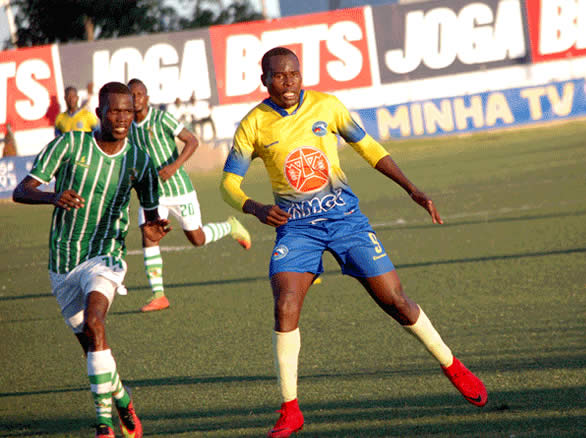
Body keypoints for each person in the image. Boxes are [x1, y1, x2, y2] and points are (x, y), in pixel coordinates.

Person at [220, 47, 488, 438]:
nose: (289, 82)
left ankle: (453, 365)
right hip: (297, 230)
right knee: (285, 305)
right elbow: (228, 184)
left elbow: (369, 149)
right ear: (265, 81)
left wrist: (412, 189)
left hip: (346, 221)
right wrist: (254, 208)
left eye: (294, 73)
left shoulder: (328, 107)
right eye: (279, 76)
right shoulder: (253, 125)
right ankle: (290, 409)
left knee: (395, 302)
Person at [12, 82, 170, 438]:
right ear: (98, 113)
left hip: (106, 255)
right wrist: (53, 198)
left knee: (96, 324)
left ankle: (103, 425)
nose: (121, 118)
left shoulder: (140, 160)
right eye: (114, 111)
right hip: (64, 260)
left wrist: (154, 229)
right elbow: (23, 190)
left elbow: (150, 215)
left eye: (128, 112)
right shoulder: (69, 144)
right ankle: (122, 397)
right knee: (92, 345)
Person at [126, 78, 252, 312]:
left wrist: (174, 166)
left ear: (147, 97)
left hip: (179, 190)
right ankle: (158, 295)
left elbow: (191, 140)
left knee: (197, 239)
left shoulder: (161, 118)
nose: (135, 99)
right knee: (149, 236)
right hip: (152, 194)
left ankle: (230, 226)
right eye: (131, 95)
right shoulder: (127, 126)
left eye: (139, 94)